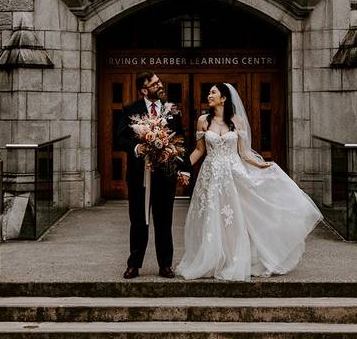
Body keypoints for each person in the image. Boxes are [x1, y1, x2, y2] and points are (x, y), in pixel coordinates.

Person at [176, 82, 322, 281]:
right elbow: (200, 150)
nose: (209, 95)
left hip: (233, 173)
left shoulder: (237, 121)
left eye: (213, 92)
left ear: (224, 98)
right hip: (211, 174)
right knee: (212, 216)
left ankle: (234, 260)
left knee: (235, 217)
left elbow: (243, 152)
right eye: (209, 92)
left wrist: (260, 165)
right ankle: (212, 259)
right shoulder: (203, 120)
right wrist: (184, 168)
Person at [116, 71, 191, 278]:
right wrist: (137, 147)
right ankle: (134, 264)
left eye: (159, 82)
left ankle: (165, 265)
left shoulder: (172, 111)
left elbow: (182, 141)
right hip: (139, 176)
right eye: (154, 83)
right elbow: (119, 139)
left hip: (165, 176)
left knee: (164, 221)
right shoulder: (131, 109)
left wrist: (183, 168)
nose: (159, 85)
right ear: (143, 90)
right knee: (138, 221)